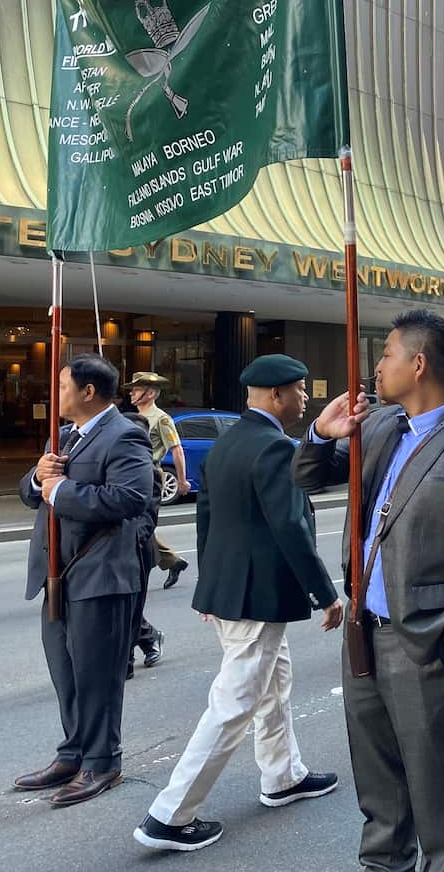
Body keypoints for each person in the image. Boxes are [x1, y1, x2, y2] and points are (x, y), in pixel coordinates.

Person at [293, 310, 444, 872]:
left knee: (432, 774)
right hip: (362, 630)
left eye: (386, 355)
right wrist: (320, 434)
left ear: (419, 363)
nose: (377, 367)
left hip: (426, 636)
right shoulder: (380, 425)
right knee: (375, 769)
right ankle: (384, 862)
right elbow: (309, 477)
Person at [134, 354, 342, 853]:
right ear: (276, 395)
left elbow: (206, 519)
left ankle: (283, 776)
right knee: (235, 703)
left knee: (273, 685)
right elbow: (291, 526)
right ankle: (170, 815)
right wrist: (325, 594)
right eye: (300, 390)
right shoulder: (274, 447)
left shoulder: (227, 443)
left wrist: (209, 587)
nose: (305, 398)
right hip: (258, 595)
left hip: (232, 591)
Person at [13, 354, 153, 807]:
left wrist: (62, 491)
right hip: (57, 574)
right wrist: (39, 480)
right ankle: (73, 752)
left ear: (88, 391)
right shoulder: (65, 435)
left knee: (97, 675)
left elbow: (132, 498)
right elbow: (31, 490)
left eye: (62, 386)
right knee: (66, 672)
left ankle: (102, 761)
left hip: (99, 574)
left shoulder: (124, 434)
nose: (55, 394)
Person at [125, 372, 190, 590]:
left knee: (138, 526)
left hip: (150, 475)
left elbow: (177, 450)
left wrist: (182, 481)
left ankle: (138, 574)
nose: (132, 393)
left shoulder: (161, 419)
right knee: (135, 525)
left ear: (151, 393)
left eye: (136, 389)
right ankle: (172, 561)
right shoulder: (133, 417)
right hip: (131, 475)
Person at [120, 411, 164, 681]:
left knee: (131, 608)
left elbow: (148, 518)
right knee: (123, 608)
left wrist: (126, 541)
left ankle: (125, 662)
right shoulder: (116, 463)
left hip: (136, 551)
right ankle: (149, 637)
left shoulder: (150, 471)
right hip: (113, 550)